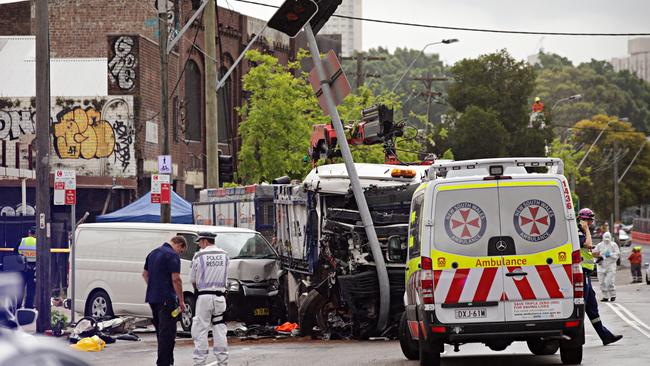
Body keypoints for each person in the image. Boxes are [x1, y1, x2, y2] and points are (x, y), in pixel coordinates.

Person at [577, 208, 622, 345]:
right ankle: (577, 338)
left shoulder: (583, 231)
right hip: (581, 272)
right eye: (589, 219)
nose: (591, 222)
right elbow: (588, 244)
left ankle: (605, 336)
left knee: (592, 306)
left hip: (586, 273)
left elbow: (589, 249)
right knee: (582, 306)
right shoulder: (579, 232)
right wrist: (586, 230)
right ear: (584, 220)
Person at [142, 236, 187, 366]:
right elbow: (176, 279)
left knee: (160, 332)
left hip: (153, 298)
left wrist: (154, 286)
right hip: (167, 298)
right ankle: (164, 363)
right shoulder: (172, 255)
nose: (180, 253)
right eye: (181, 251)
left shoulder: (153, 253)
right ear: (179, 245)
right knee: (167, 333)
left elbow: (145, 274)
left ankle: (167, 361)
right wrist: (181, 300)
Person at [190, 232, 229, 366]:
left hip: (204, 297)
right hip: (220, 297)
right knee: (220, 329)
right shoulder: (225, 255)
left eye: (199, 242)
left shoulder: (199, 255)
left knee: (200, 329)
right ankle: (222, 362)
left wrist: (198, 289)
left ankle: (199, 362)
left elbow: (193, 280)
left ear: (205, 241)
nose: (199, 245)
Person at [594, 232, 620, 301]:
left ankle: (613, 295)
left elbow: (617, 254)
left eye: (608, 239)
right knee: (602, 282)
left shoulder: (613, 245)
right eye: (605, 239)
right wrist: (597, 259)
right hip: (601, 266)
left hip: (610, 266)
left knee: (609, 282)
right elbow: (594, 253)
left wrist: (610, 254)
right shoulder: (599, 245)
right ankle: (605, 296)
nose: (606, 240)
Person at [16, 227, 37, 309]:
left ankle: (18, 305)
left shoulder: (22, 241)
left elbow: (15, 252)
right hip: (33, 268)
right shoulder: (38, 242)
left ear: (29, 232)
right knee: (31, 288)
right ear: (36, 234)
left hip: (22, 268)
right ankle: (28, 306)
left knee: (20, 287)